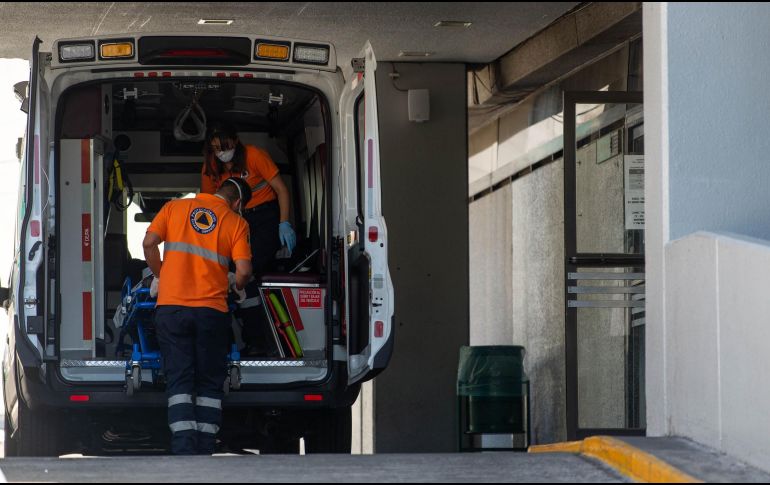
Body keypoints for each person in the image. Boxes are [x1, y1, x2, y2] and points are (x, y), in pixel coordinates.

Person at [143, 177, 253, 455]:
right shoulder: (236, 222)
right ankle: (204, 449)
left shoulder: (174, 208)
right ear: (237, 203)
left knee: (179, 380)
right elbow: (243, 271)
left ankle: (183, 448)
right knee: (209, 382)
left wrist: (161, 274)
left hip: (171, 309)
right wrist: (237, 285)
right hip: (210, 313)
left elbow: (149, 243)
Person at [201, 121, 296, 277]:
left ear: (236, 141)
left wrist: (284, 222)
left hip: (264, 215)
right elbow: (208, 203)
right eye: (217, 148)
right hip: (234, 218)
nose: (222, 152)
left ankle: (246, 285)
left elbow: (281, 189)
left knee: (256, 260)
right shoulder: (210, 167)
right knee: (231, 262)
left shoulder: (254, 155)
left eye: (226, 146)